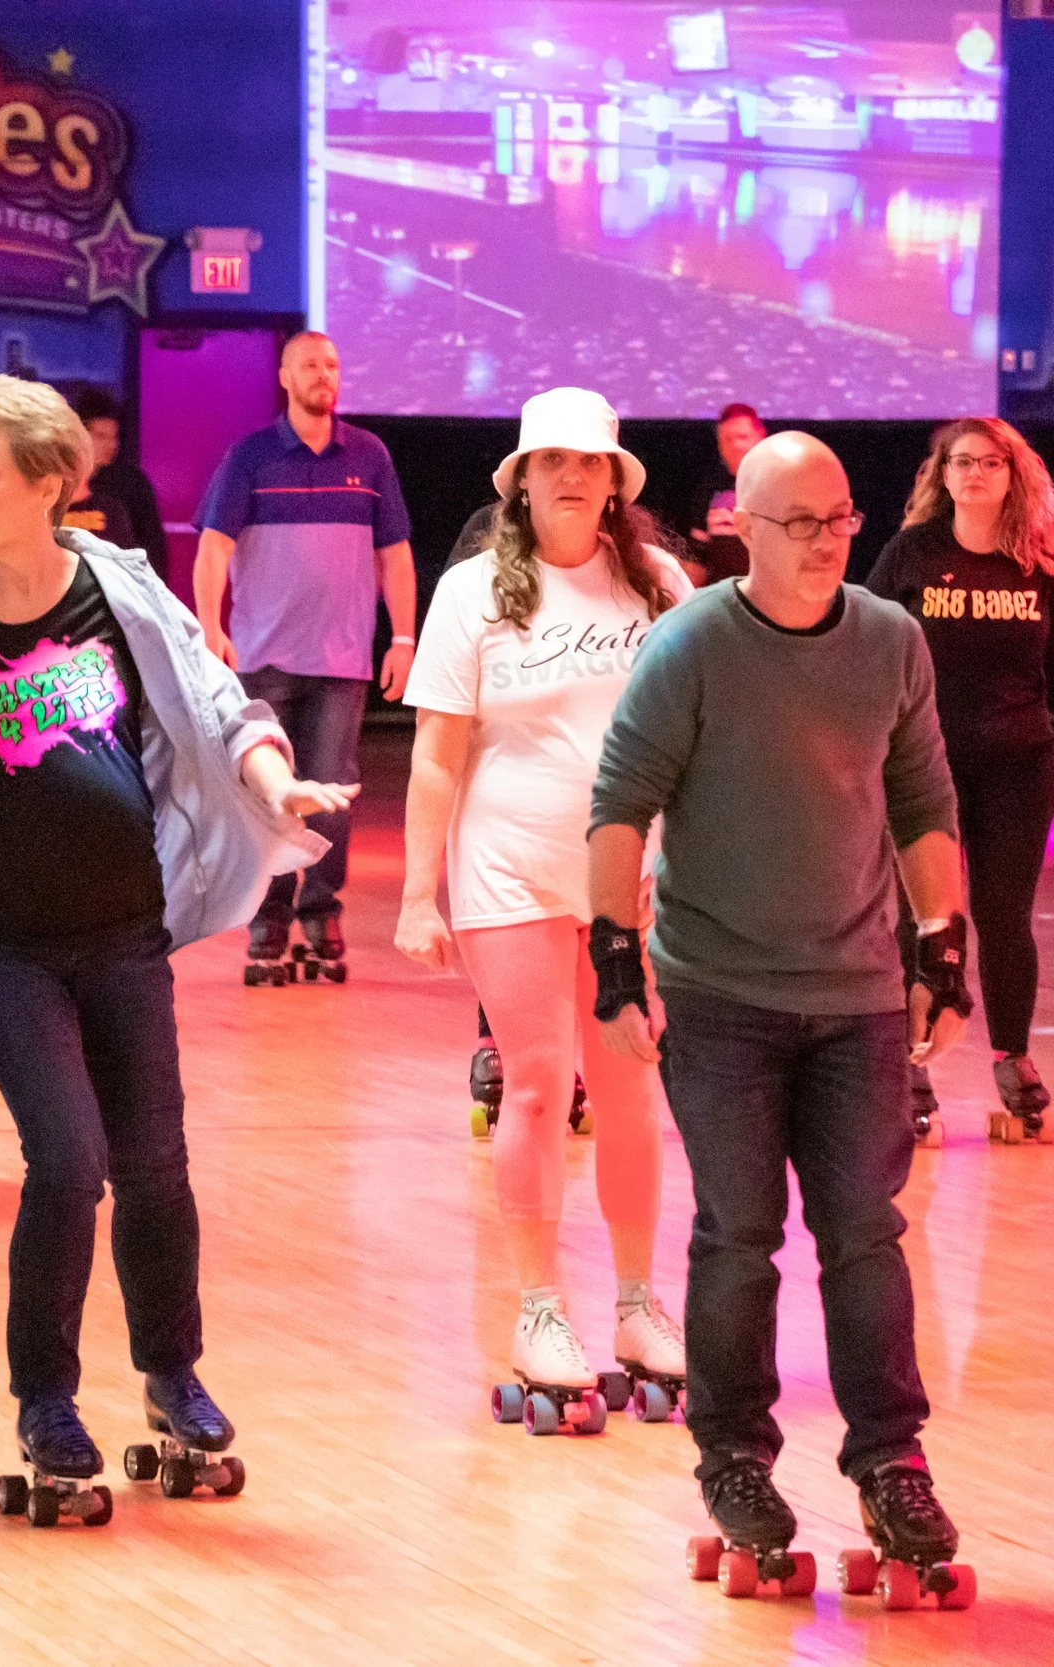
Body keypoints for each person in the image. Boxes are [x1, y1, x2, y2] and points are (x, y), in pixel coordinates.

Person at [0, 375, 350, 1519]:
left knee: (156, 1162)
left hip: (125, 926)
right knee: (68, 1159)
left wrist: (281, 783)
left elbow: (225, 708)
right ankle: (45, 1398)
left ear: (47, 485)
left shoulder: (120, 593)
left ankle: (173, 1375)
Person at [589, 431, 974, 1599]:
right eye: (796, 522)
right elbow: (620, 803)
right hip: (720, 992)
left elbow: (921, 801)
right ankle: (736, 1458)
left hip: (855, 993)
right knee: (738, 1234)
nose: (822, 541)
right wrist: (614, 958)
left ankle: (889, 1459)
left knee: (864, 1231)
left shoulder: (890, 641)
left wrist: (941, 946)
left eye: (839, 517)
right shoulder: (691, 642)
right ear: (742, 531)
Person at [395, 388, 691, 1430]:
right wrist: (415, 892)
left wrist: (686, 860)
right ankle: (536, 1309)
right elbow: (436, 754)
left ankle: (638, 1301)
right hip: (507, 870)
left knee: (628, 1089)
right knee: (532, 1084)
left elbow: (697, 738)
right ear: (519, 478)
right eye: (549, 460)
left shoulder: (659, 585)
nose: (570, 474)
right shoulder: (473, 592)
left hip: (631, 883)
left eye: (589, 460)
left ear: (614, 479)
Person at [864, 417, 1054, 1144]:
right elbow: (863, 653)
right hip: (922, 768)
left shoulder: (1046, 567)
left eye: (988, 462)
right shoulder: (911, 554)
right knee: (926, 919)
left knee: (1004, 917)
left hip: (1017, 768)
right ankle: (913, 1064)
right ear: (943, 475)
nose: (972, 474)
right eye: (959, 462)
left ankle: (1012, 1056)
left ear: (1012, 473)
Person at [193, 329, 416, 985]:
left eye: (334, 364)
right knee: (267, 793)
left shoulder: (370, 456)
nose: (326, 373)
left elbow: (394, 553)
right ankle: (268, 914)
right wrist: (210, 626)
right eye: (311, 364)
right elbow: (213, 546)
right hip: (263, 654)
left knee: (332, 786)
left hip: (343, 657)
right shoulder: (252, 456)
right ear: (285, 377)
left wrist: (403, 637)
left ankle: (321, 910)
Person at [62, 386, 165, 564]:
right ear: (78, 435)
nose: (111, 445)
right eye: (101, 436)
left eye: (114, 436)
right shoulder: (54, 482)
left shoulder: (131, 483)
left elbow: (152, 545)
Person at [679, 403, 767, 588]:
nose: (735, 445)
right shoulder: (708, 488)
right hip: (723, 600)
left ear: (760, 437)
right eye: (727, 439)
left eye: (742, 437)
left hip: (772, 599)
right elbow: (697, 558)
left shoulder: (781, 484)